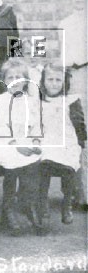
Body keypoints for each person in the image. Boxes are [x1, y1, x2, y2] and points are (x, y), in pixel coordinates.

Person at [0, 59, 43, 235]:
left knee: (33, 165)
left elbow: (37, 125)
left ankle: (27, 205)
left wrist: (35, 141)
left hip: (26, 141)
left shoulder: (31, 101)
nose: (14, 80)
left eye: (18, 77)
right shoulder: (0, 100)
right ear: (4, 81)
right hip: (6, 142)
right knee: (13, 166)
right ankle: (9, 209)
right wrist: (15, 143)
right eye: (10, 77)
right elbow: (0, 127)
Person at [38, 62, 86, 230]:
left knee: (69, 167)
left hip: (67, 142)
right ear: (43, 81)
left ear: (64, 82)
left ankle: (67, 205)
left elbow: (79, 124)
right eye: (50, 79)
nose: (54, 83)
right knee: (43, 166)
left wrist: (80, 143)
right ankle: (42, 206)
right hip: (46, 141)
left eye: (58, 80)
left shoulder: (71, 101)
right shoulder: (38, 101)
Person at [58, 0, 87, 209]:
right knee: (81, 132)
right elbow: (64, 56)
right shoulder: (65, 24)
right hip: (75, 80)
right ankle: (82, 193)